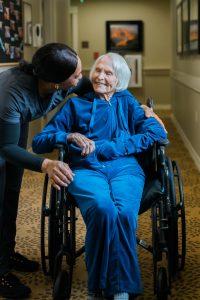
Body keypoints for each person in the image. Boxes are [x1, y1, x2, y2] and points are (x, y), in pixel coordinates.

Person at [32, 52, 167, 300]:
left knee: (124, 213)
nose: (100, 77)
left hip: (125, 168)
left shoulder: (127, 103)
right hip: (85, 168)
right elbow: (39, 142)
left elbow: (157, 133)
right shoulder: (75, 104)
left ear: (120, 79)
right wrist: (68, 136)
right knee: (103, 209)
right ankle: (99, 288)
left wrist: (114, 147)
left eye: (108, 73)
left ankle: (120, 289)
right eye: (97, 70)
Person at [0, 42, 94, 299]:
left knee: (11, 191)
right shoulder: (12, 93)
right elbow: (6, 147)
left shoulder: (65, 80)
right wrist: (47, 164)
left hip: (13, 125)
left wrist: (138, 108)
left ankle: (6, 253)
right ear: (56, 84)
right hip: (3, 127)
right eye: (76, 75)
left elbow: (97, 89)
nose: (80, 78)